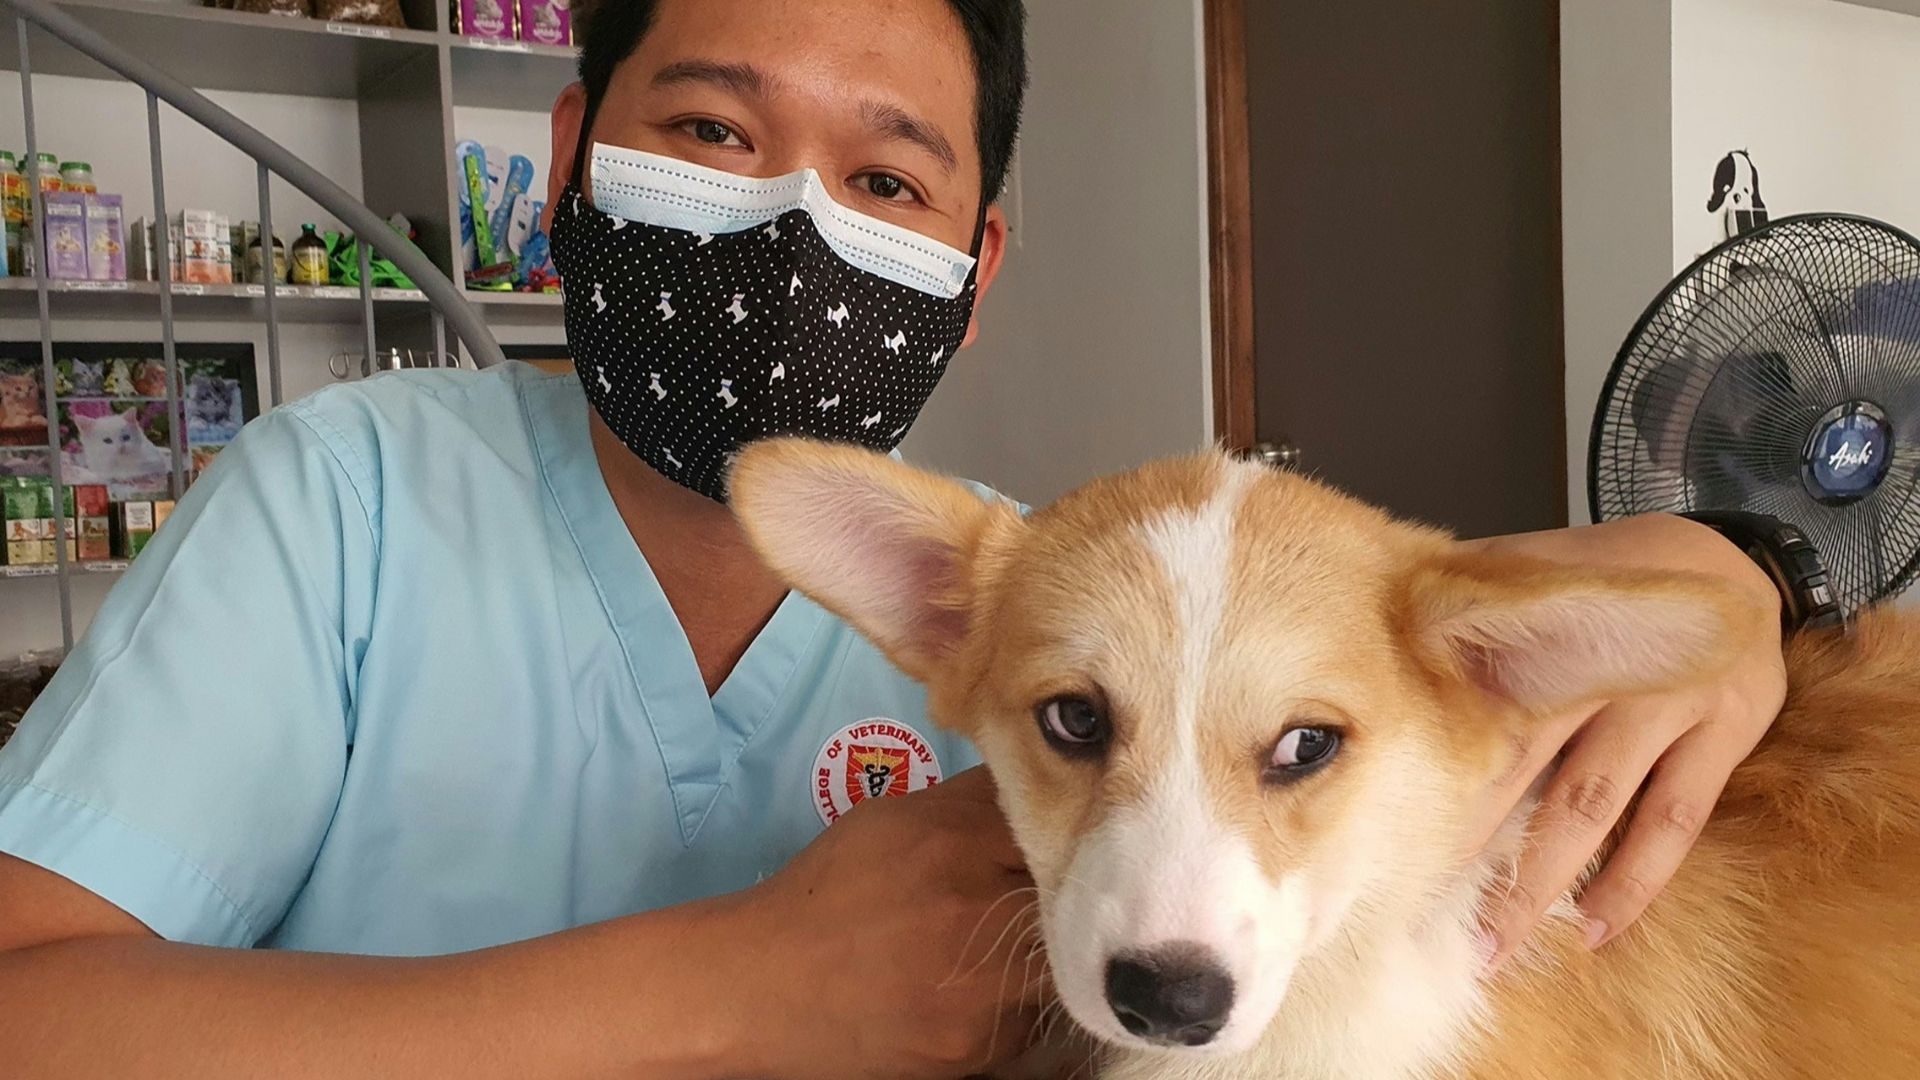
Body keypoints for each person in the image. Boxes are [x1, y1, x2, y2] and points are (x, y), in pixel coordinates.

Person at [0, 0, 1787, 1075]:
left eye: (887, 179)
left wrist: (1761, 573)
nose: (791, 224)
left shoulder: (1039, 594)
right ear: (567, 158)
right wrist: (729, 988)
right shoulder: (345, 502)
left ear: (975, 266)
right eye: (709, 127)